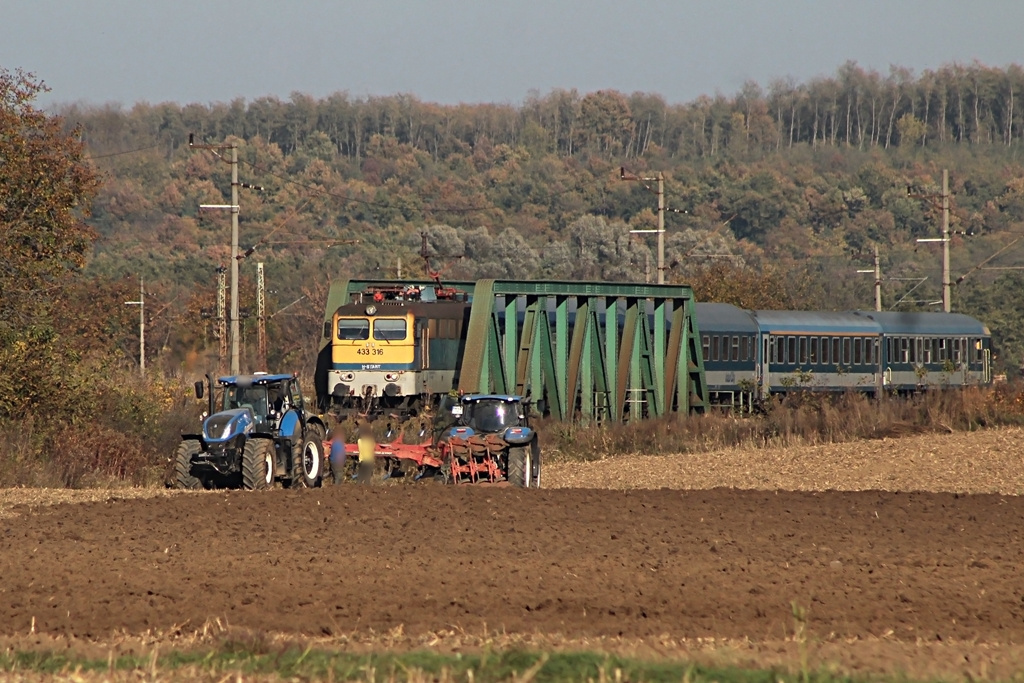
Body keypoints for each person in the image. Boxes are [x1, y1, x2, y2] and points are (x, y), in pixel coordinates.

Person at [355, 419, 376, 484]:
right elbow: (373, 446)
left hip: (362, 460)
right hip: (369, 460)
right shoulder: (371, 441)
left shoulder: (359, 441)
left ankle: (358, 486)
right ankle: (366, 488)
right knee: (367, 476)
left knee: (361, 474)